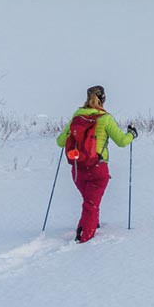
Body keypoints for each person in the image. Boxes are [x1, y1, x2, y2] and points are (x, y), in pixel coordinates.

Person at [56, 85, 136, 242]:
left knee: (89, 203)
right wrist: (131, 134)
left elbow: (60, 142)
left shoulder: (76, 116)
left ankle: (89, 225)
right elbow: (121, 141)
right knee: (91, 204)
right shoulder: (105, 118)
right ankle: (85, 237)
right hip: (98, 169)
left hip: (78, 170)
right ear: (103, 99)